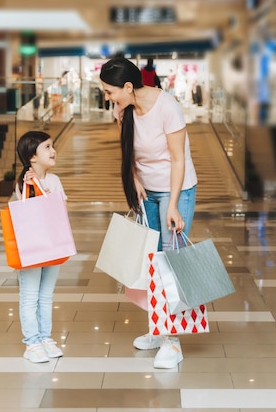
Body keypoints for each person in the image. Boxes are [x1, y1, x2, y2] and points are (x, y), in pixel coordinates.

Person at [99, 57, 197, 369]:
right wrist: (137, 179)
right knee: (151, 262)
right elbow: (126, 150)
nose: (107, 97)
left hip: (175, 189)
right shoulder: (123, 110)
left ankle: (172, 342)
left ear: (128, 86)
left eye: (110, 91)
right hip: (147, 191)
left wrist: (172, 205)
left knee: (169, 263)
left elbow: (178, 160)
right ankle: (159, 328)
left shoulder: (167, 107)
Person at [12, 130, 67, 363]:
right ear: (32, 157)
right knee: (30, 295)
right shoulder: (22, 184)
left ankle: (45, 338)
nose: (53, 151)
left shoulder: (54, 181)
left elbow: (60, 210)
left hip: (54, 244)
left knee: (46, 295)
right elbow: (27, 213)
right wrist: (32, 186)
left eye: (52, 146)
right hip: (32, 247)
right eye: (47, 147)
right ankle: (32, 342)